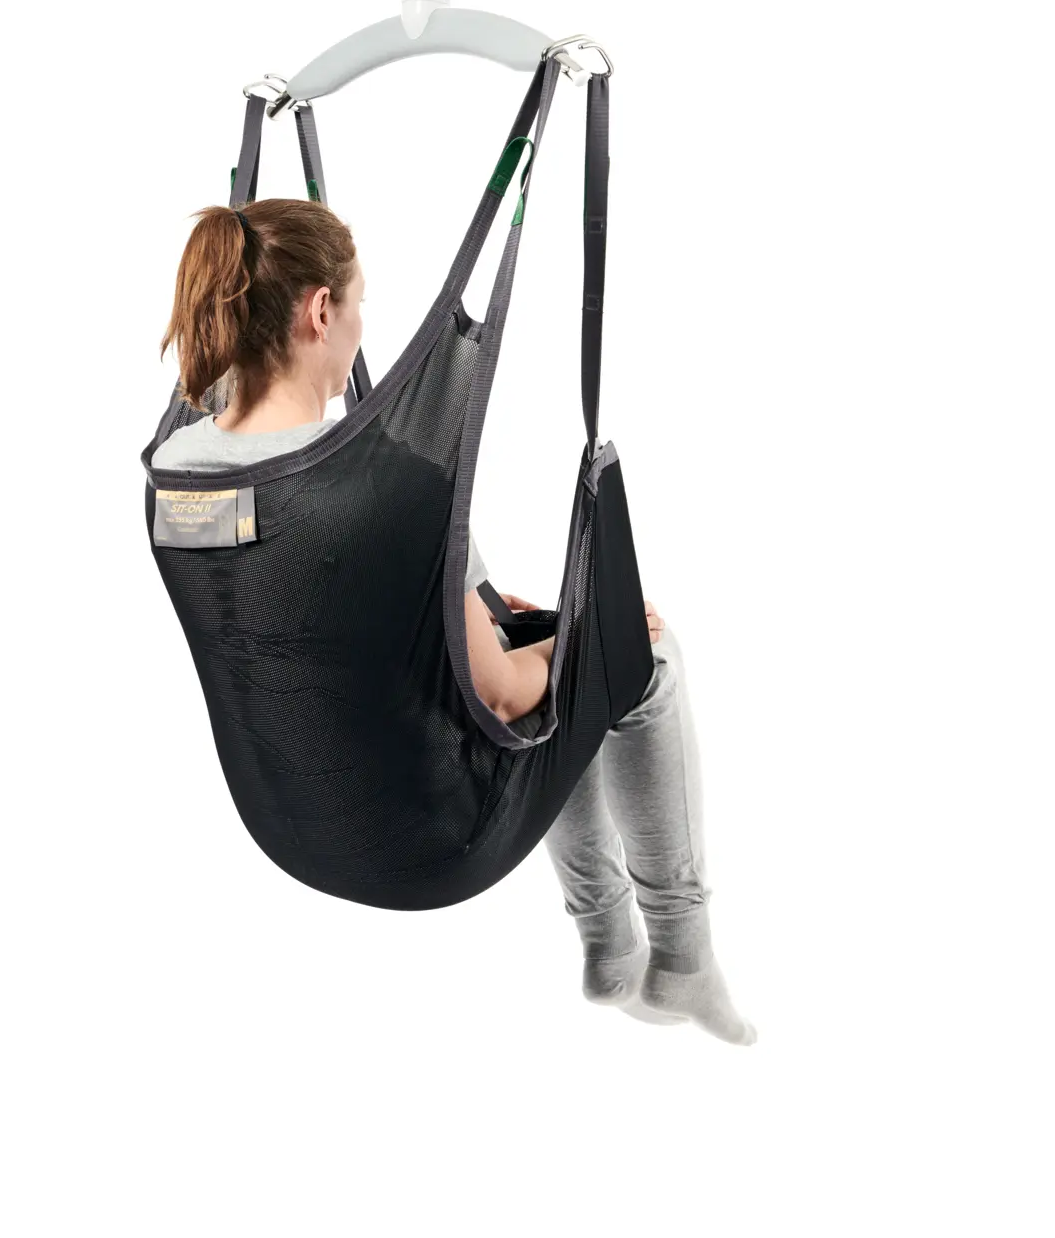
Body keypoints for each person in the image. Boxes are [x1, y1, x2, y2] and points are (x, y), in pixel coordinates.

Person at [153, 197, 755, 1044]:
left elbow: (317, 607)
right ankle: (681, 956)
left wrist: (507, 615)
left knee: (541, 643)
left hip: (290, 828)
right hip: (430, 844)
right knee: (641, 659)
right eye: (358, 304)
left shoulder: (176, 478)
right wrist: (593, 632)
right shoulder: (389, 485)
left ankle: (612, 951)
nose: (360, 327)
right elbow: (504, 696)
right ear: (320, 311)